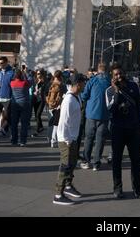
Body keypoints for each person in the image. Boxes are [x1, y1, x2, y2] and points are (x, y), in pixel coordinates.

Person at [106, 67, 140, 199]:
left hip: (133, 129)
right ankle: (117, 188)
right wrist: (117, 92)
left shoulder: (133, 86)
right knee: (117, 160)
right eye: (116, 74)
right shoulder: (109, 91)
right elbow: (111, 109)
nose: (119, 76)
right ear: (112, 77)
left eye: (121, 73)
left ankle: (137, 189)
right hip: (118, 129)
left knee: (136, 161)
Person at [53, 74, 85, 205]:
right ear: (77, 84)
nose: (84, 85)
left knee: (72, 163)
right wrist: (67, 140)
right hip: (66, 138)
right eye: (83, 83)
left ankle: (68, 186)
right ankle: (58, 194)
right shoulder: (69, 100)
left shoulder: (76, 97)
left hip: (73, 136)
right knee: (65, 165)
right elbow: (64, 121)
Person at [80, 62, 110, 171]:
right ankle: (96, 163)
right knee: (100, 140)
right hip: (105, 115)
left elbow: (84, 96)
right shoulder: (110, 81)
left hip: (91, 114)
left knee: (89, 138)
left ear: (98, 70)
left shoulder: (92, 81)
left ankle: (86, 160)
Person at [10, 69, 32, 146]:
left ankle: (14, 140)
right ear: (21, 75)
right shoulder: (24, 83)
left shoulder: (12, 83)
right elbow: (31, 81)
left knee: (14, 123)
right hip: (25, 103)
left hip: (14, 103)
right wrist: (27, 73)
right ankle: (22, 141)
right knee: (24, 123)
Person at [0, 56, 14, 136]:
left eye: (2, 63)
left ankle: (10, 132)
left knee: (7, 117)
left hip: (7, 99)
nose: (0, 65)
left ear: (6, 63)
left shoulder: (12, 73)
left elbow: (14, 86)